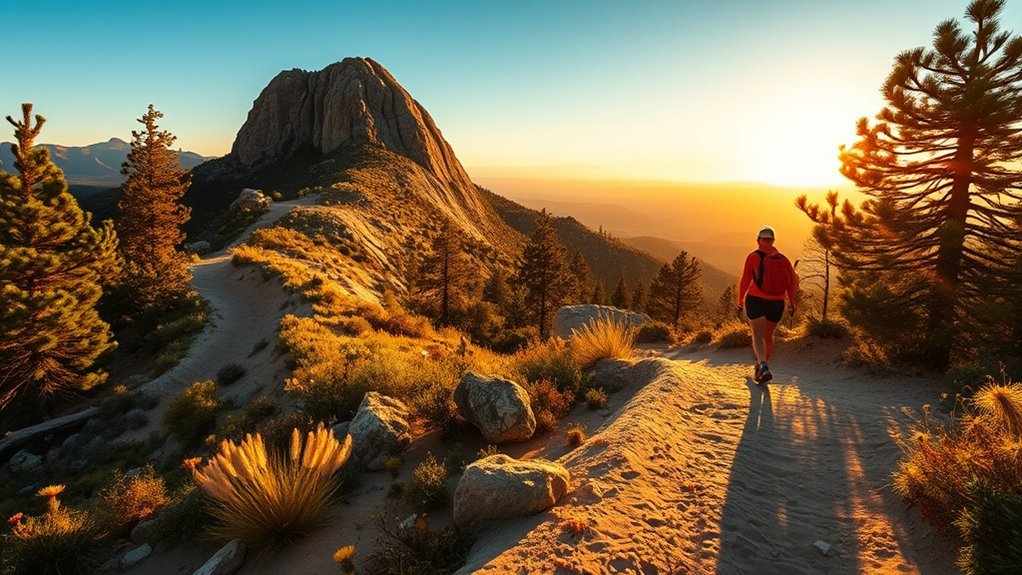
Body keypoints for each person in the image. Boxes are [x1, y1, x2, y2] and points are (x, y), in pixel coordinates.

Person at [737, 226, 796, 384]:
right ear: (773, 241)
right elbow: (792, 282)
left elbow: (745, 280)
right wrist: (791, 302)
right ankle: (763, 367)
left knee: (757, 334)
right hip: (777, 302)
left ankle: (762, 364)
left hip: (756, 299)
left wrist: (741, 300)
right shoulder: (783, 259)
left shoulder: (753, 257)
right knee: (768, 336)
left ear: (758, 240)